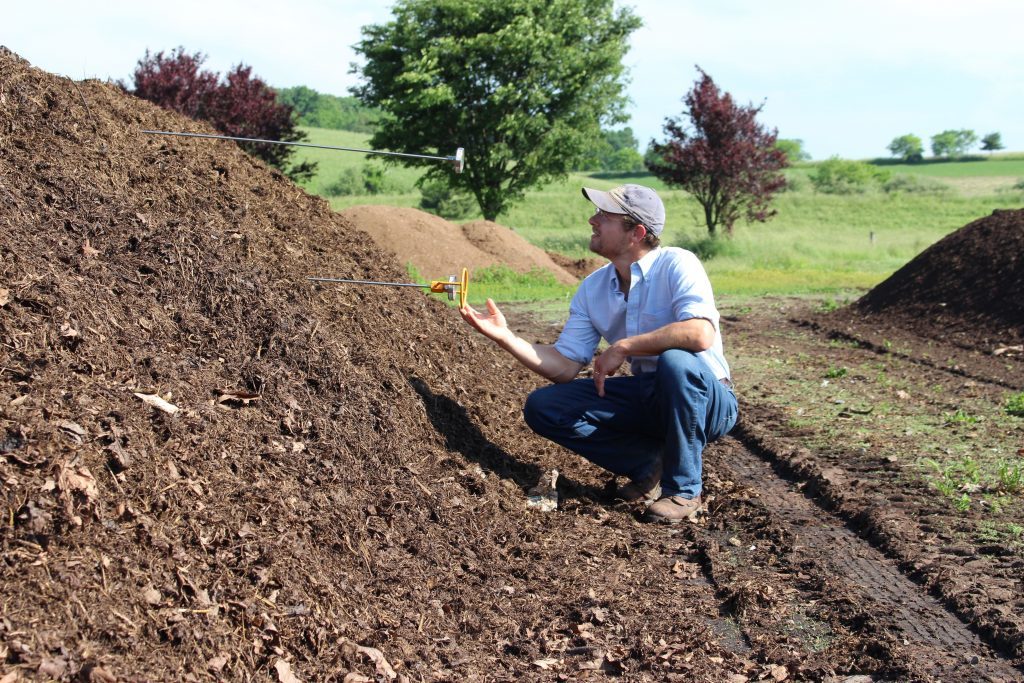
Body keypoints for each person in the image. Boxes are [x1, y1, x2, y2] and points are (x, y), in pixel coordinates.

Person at [459, 184, 737, 523]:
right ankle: (648, 463)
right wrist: (506, 337)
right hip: (651, 396)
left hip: (708, 399)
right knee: (545, 407)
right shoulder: (593, 287)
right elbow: (563, 366)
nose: (593, 220)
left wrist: (624, 346)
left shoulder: (678, 264)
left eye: (604, 216)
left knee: (676, 361)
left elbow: (699, 333)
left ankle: (683, 490)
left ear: (636, 232)